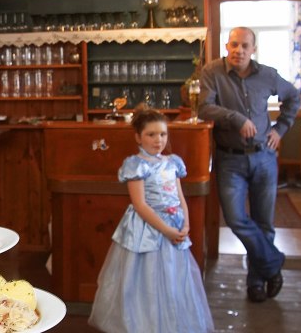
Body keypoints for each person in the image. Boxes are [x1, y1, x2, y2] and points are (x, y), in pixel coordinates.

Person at [198, 26, 301, 303]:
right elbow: (204, 108)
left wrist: (280, 130)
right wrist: (236, 118)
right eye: (233, 45)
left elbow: (294, 97)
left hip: (264, 157)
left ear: (253, 49)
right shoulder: (212, 72)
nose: (238, 50)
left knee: (264, 222)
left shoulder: (267, 74)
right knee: (235, 219)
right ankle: (273, 263)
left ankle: (256, 281)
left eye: (244, 46)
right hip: (229, 158)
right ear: (226, 46)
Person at [88, 108, 214, 333]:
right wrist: (166, 230)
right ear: (138, 137)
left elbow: (179, 197)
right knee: (146, 280)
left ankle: (172, 323)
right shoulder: (136, 165)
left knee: (174, 277)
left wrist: (185, 224)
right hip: (148, 229)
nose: (159, 140)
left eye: (163, 134)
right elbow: (140, 205)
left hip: (174, 227)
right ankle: (146, 325)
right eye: (151, 135)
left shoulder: (173, 162)